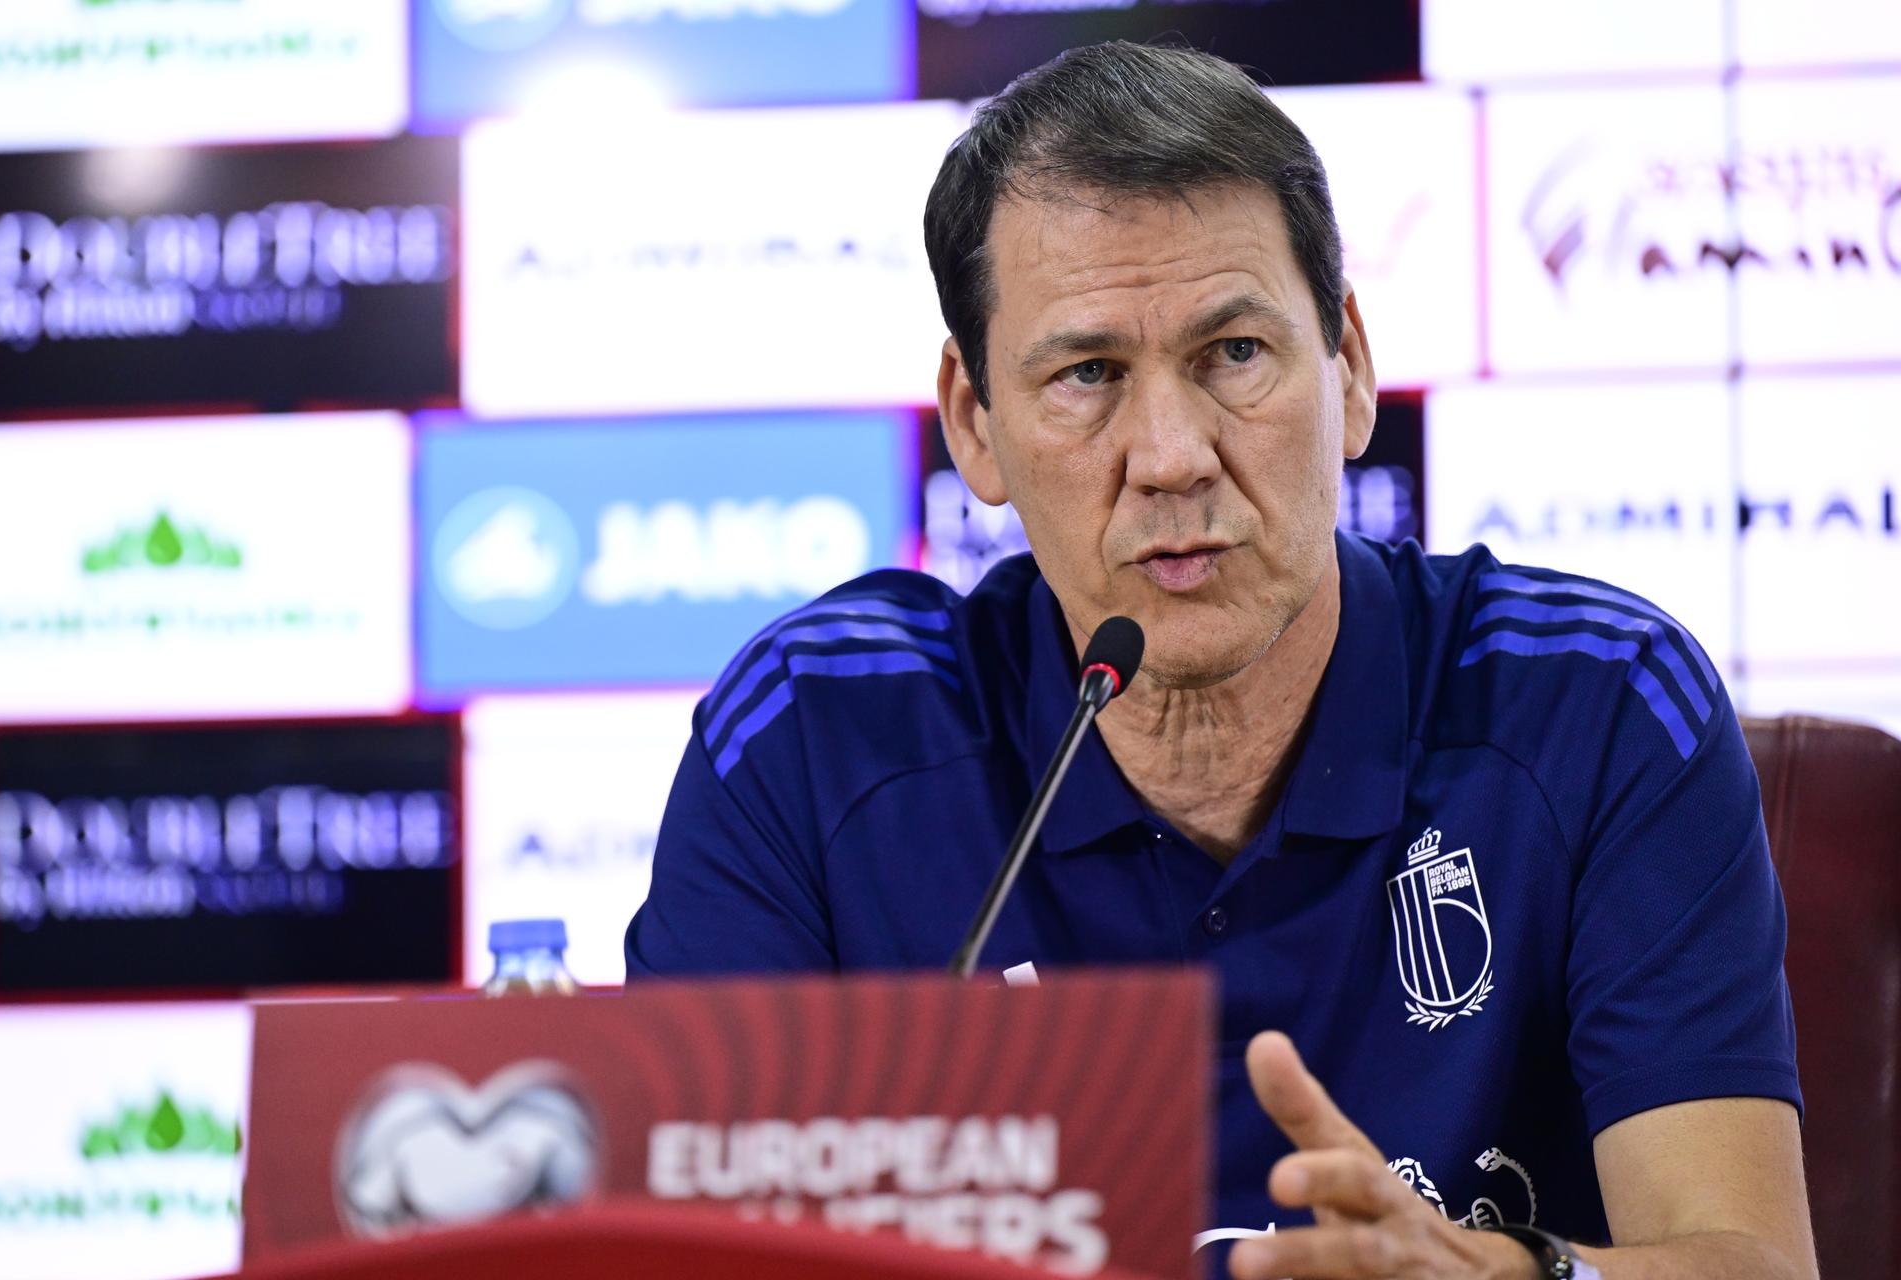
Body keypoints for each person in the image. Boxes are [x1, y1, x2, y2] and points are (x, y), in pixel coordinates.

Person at [625, 41, 1815, 1280]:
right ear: (974, 423)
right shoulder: (812, 739)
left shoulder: (1601, 701)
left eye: (1233, 354)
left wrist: (1505, 1276)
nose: (1172, 453)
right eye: (1089, 374)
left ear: (1348, 369)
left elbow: (1753, 1261)